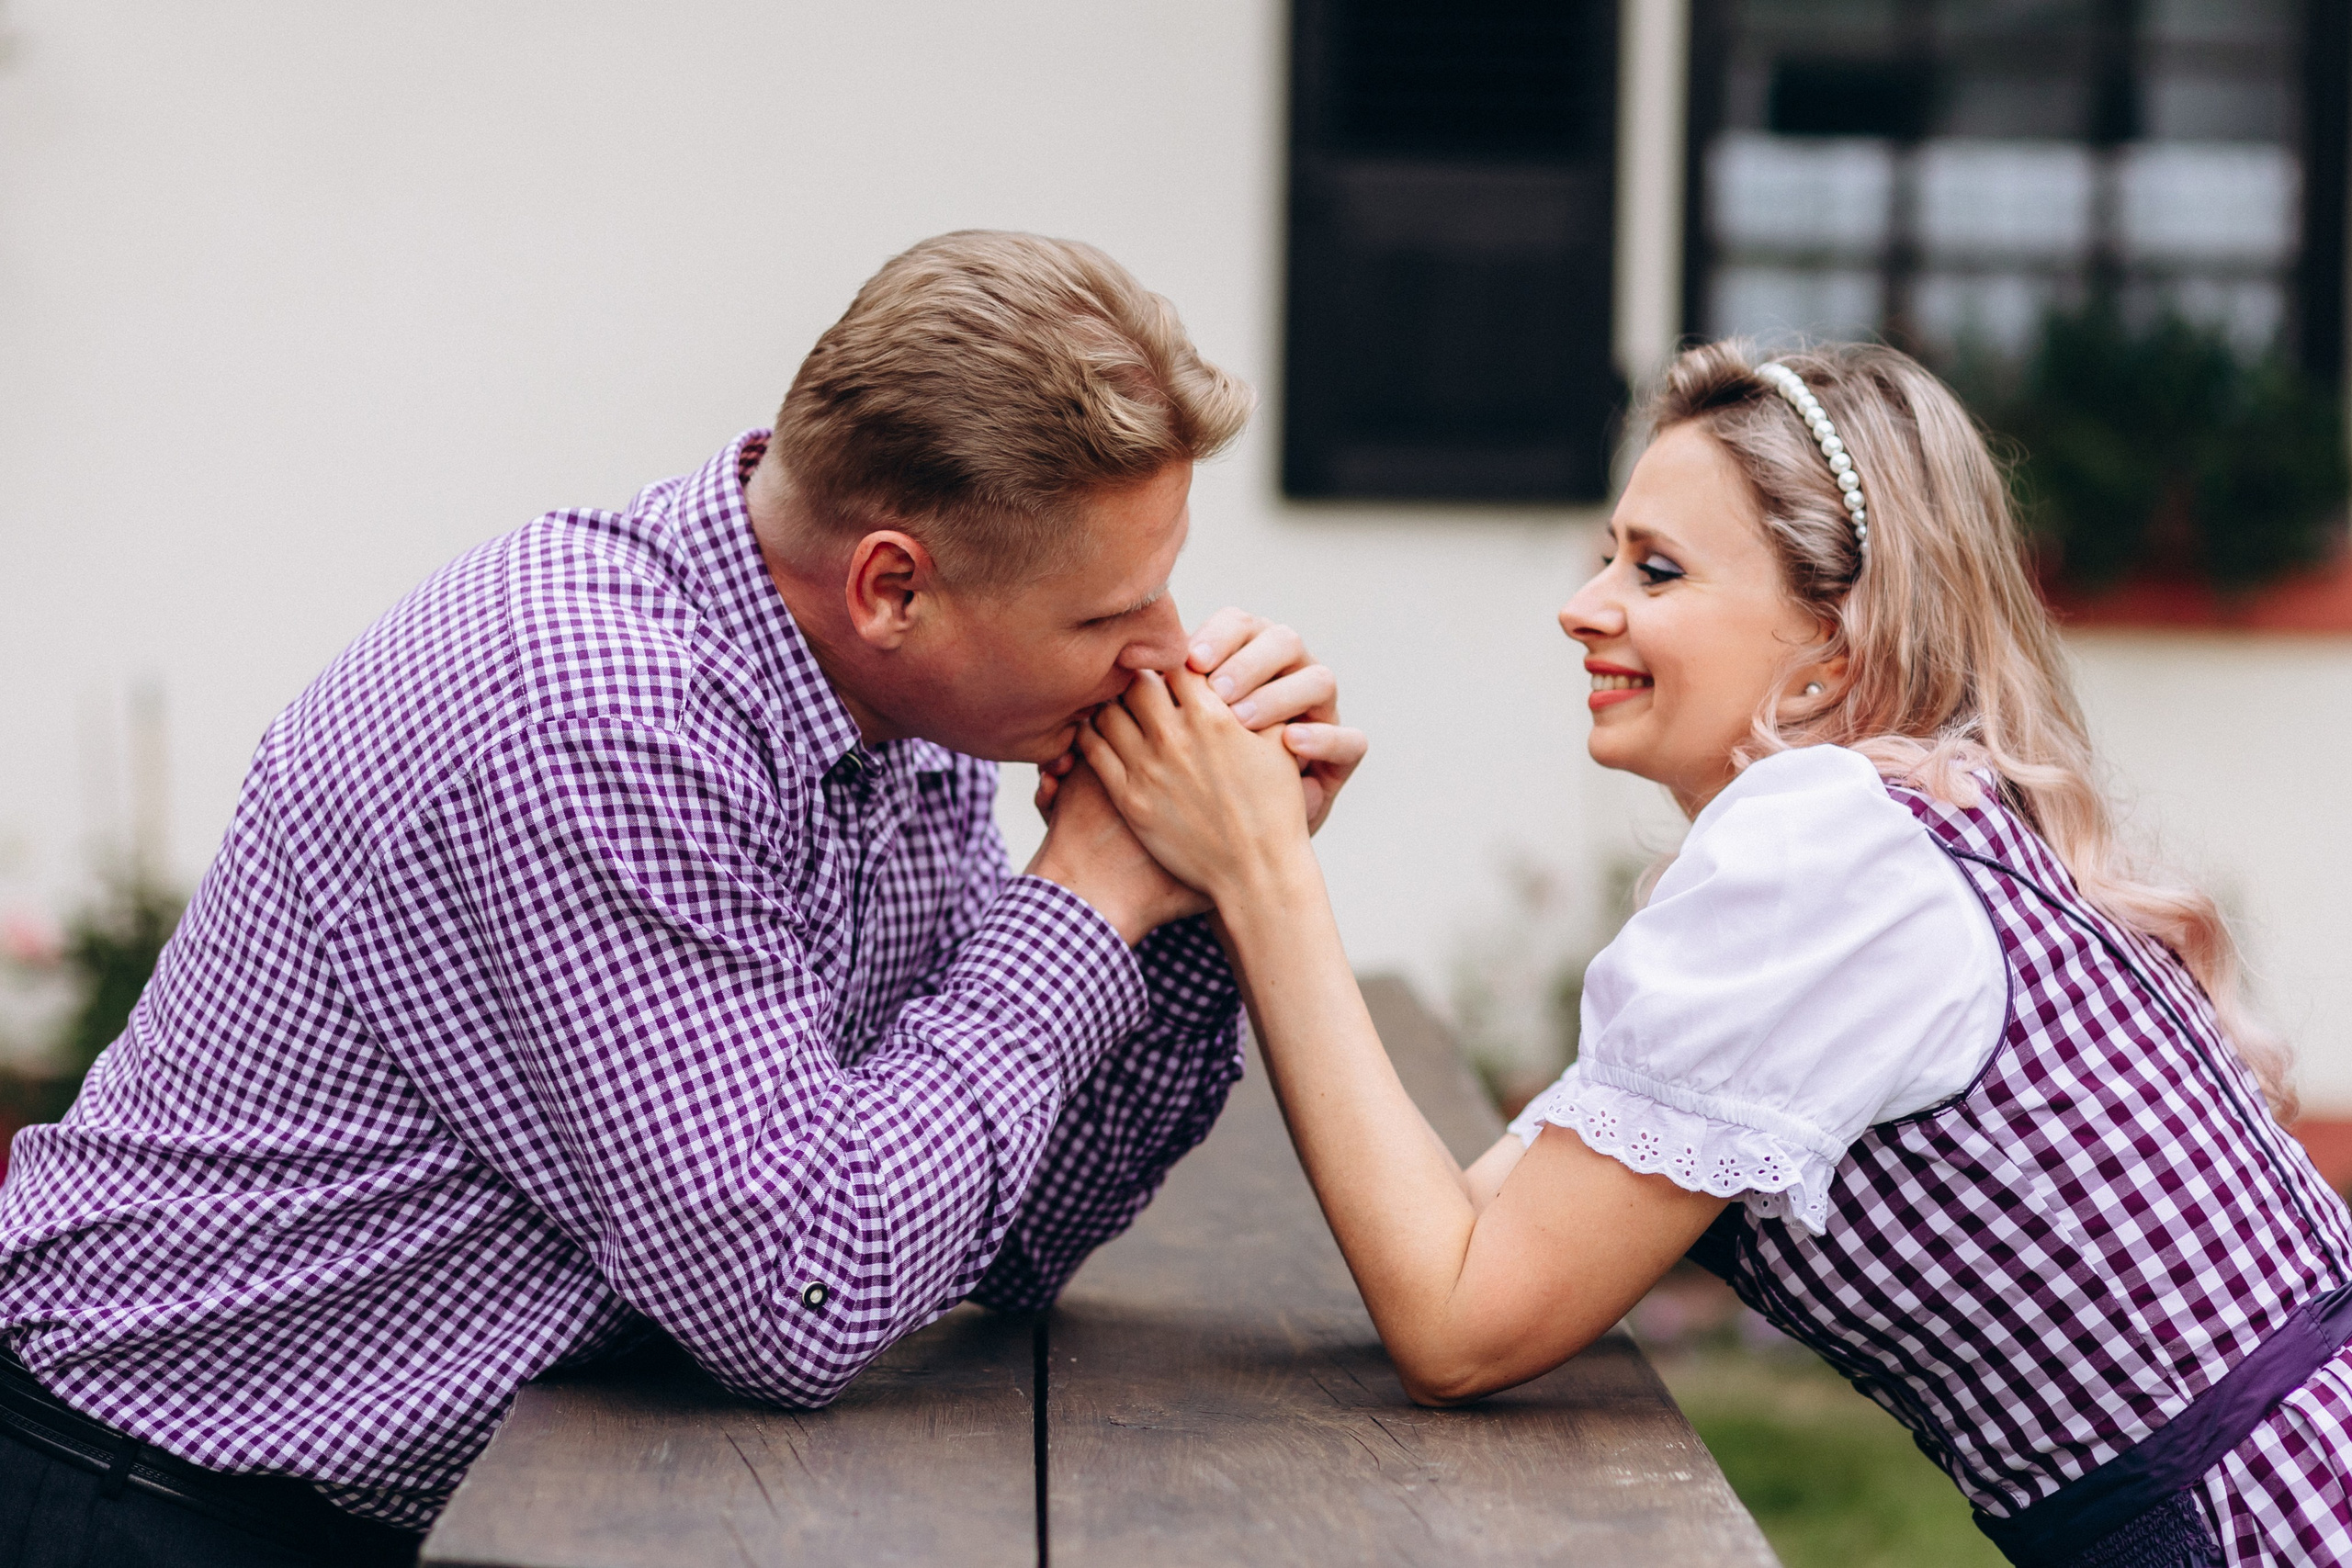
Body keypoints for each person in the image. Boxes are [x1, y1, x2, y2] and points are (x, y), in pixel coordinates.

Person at [0, 231, 1366, 1565]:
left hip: (430, 1501)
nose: (1165, 653)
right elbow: (802, 1294)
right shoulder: (600, 714)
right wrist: (1083, 899)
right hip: (148, 1490)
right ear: (894, 588)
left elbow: (990, 1237)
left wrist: (1195, 888)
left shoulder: (907, 711)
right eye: (1108, 617)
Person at [1082, 340, 2352, 1567]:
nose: (1584, 606)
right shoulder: (1911, 831)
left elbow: (1457, 1326)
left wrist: (1263, 874)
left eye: (1656, 570)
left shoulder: (1828, 860)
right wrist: (1239, 857)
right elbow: (1462, 1235)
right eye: (1607, 557)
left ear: (1833, 645)